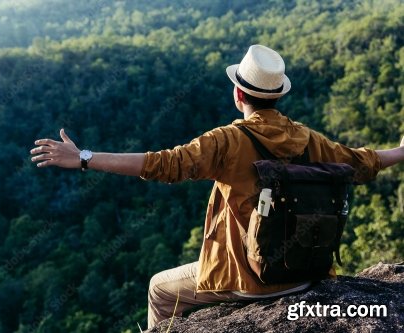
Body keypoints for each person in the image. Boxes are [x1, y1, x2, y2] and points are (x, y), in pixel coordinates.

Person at [30, 45, 404, 329]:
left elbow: (162, 164)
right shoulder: (309, 140)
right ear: (277, 95)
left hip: (251, 279)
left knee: (159, 289)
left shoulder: (227, 141)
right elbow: (362, 162)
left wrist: (83, 157)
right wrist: (402, 150)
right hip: (308, 273)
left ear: (238, 94)